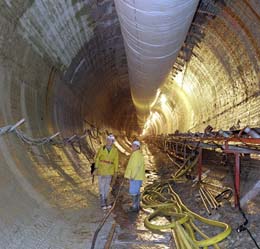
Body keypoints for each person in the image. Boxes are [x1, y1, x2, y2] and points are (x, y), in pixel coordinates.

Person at [94, 134, 119, 210]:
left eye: (110, 140)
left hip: (109, 170)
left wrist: (116, 171)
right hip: (101, 169)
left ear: (113, 142)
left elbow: (116, 161)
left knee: (107, 185)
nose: (108, 141)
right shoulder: (102, 148)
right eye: (107, 140)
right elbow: (97, 158)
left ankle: (106, 199)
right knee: (101, 185)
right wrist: (96, 167)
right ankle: (102, 200)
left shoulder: (115, 151)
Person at [124, 140, 145, 212]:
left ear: (137, 146)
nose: (132, 146)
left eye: (133, 145)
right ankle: (137, 205)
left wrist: (132, 176)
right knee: (137, 191)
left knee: (133, 192)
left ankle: (134, 206)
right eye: (132, 145)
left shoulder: (136, 155)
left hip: (135, 177)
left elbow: (136, 167)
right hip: (138, 177)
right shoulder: (139, 154)